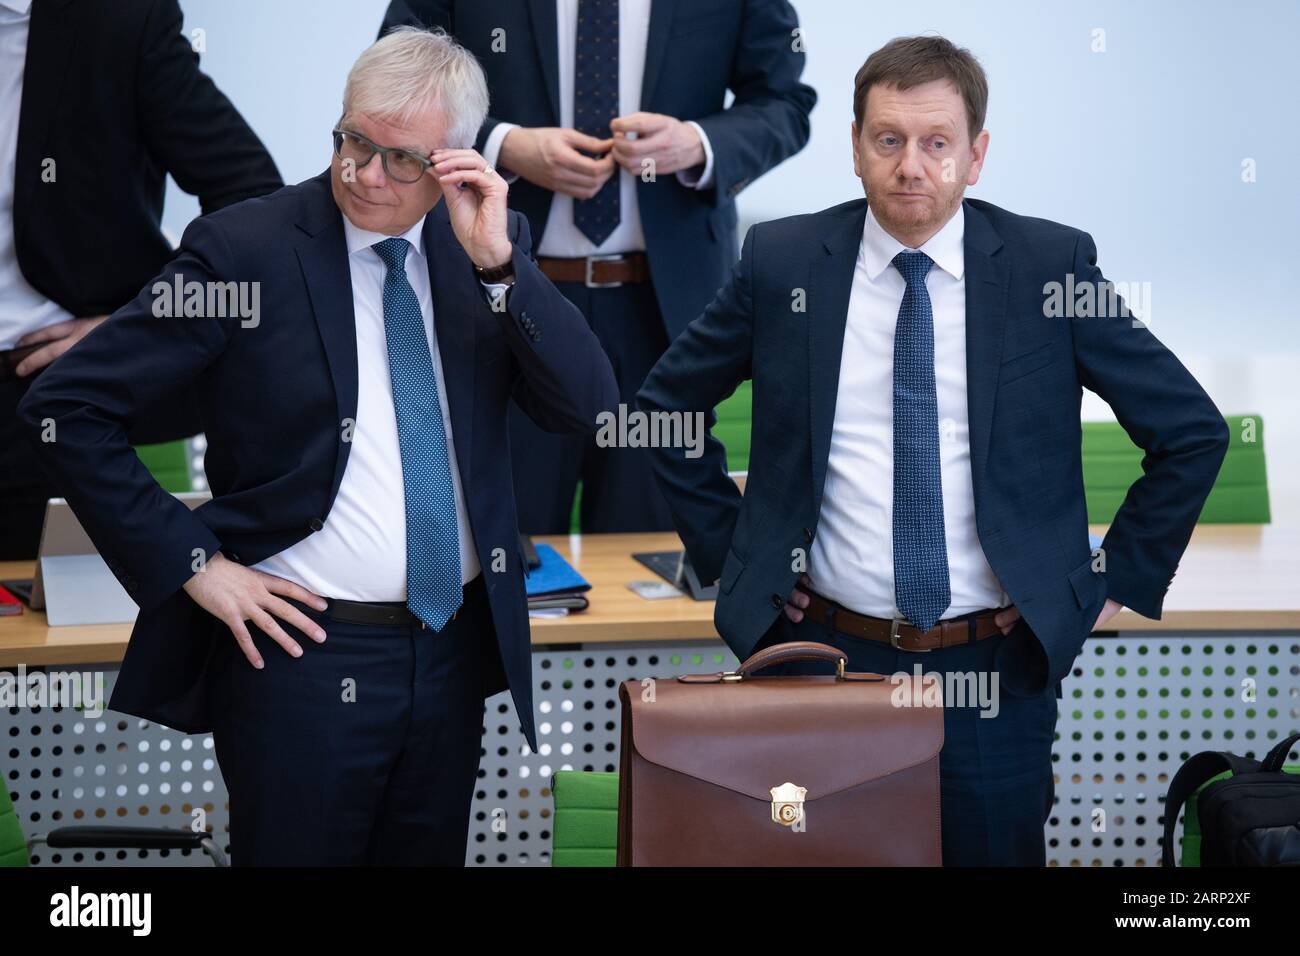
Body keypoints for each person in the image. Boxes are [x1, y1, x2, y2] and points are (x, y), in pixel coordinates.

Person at [19, 26, 617, 865]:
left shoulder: (479, 243)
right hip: (301, 656)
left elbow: (589, 406)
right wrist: (196, 564)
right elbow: (66, 408)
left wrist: (500, 270)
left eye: (401, 158)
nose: (365, 174)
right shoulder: (246, 252)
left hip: (450, 655)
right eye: (353, 141)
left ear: (453, 161)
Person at [636, 35, 1229, 866]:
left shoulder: (1047, 265)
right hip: (824, 662)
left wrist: (1108, 581)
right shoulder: (784, 262)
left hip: (992, 669)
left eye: (936, 143)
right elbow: (664, 408)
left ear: (975, 156)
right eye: (889, 140)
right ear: (855, 147)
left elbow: (1193, 432)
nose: (911, 165)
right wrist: (740, 554)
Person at [380, 0, 815, 533]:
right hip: (498, 302)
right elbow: (395, 76)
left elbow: (784, 105)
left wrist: (698, 144)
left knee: (651, 556)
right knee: (503, 545)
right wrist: (503, 144)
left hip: (662, 313)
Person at [0, 0, 282, 558]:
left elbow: (254, 200)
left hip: (41, 389)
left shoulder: (119, 20)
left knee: (57, 633)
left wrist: (139, 326)